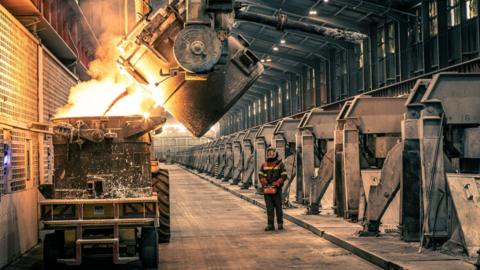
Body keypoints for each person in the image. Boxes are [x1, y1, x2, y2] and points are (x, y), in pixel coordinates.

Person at [258, 147, 287, 231]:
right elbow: (260, 175)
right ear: (267, 154)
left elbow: (284, 175)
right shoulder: (264, 165)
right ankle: (270, 225)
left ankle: (280, 224)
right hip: (267, 190)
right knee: (269, 208)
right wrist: (264, 182)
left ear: (275, 153)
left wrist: (277, 183)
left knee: (278, 207)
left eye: (272, 152)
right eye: (269, 153)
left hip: (277, 190)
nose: (270, 154)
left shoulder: (280, 164)